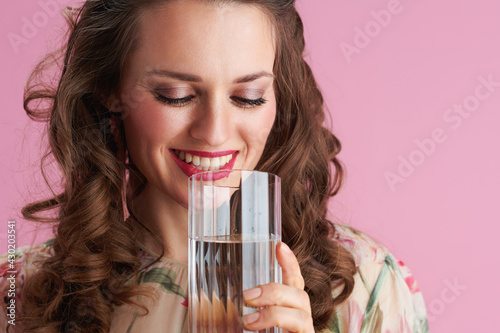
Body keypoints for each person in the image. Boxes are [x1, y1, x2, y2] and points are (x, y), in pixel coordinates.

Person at [0, 0, 429, 332]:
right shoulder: (18, 294)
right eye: (175, 94)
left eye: (248, 97)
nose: (215, 133)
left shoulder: (368, 285)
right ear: (112, 91)